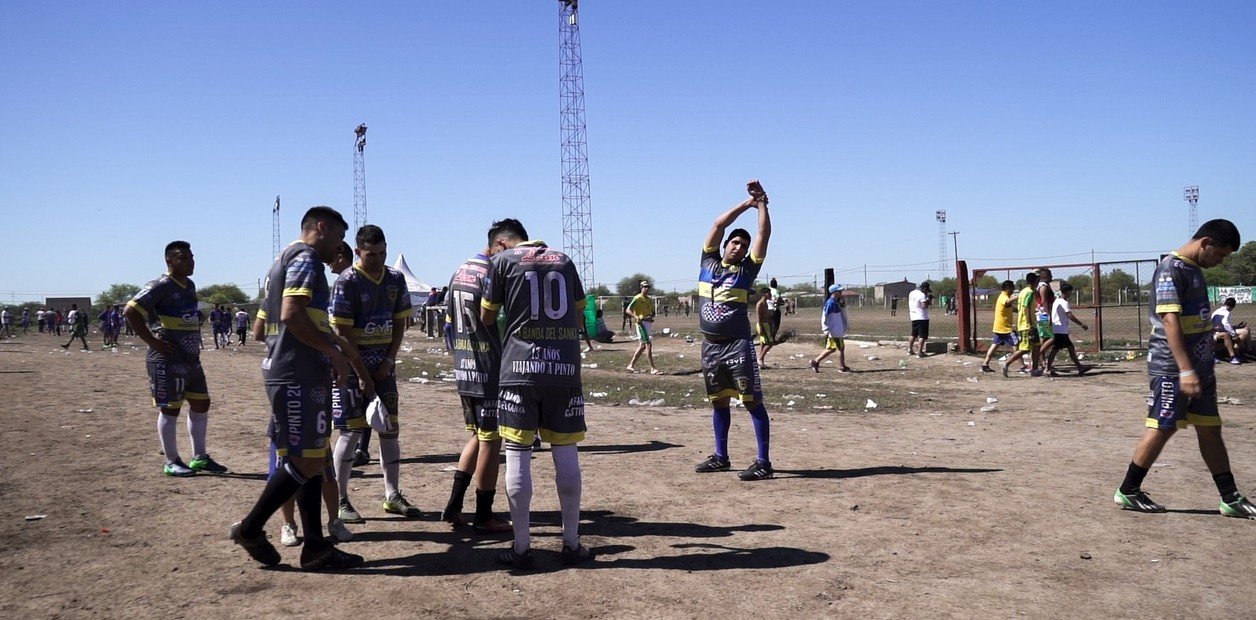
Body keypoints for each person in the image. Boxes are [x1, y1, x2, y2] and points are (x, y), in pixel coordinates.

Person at [229, 206, 363, 570]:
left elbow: (265, 328)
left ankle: (316, 546)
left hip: (289, 372)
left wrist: (331, 341)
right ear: (321, 227)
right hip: (297, 375)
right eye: (337, 237)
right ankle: (251, 527)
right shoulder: (305, 259)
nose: (339, 247)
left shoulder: (281, 260)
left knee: (311, 459)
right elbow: (291, 313)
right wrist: (330, 351)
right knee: (306, 460)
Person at [1114, 219, 1256, 519]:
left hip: (1200, 366)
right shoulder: (1171, 269)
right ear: (1205, 243)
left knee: (1210, 428)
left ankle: (1230, 498)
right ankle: (1128, 490)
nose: (1219, 262)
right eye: (1219, 255)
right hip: (1173, 367)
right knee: (1163, 426)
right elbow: (1169, 321)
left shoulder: (1193, 270)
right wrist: (1185, 370)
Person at [479, 218, 592, 568]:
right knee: (566, 454)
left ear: (501, 244)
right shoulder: (563, 259)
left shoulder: (502, 262)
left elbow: (486, 317)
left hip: (519, 370)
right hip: (564, 370)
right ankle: (571, 543)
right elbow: (578, 311)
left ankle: (522, 547)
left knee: (517, 454)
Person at [328, 224, 417, 524]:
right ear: (357, 252)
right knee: (351, 432)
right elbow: (342, 332)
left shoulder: (395, 279)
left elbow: (398, 325)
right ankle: (341, 500)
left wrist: (389, 361)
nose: (377, 259)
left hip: (383, 369)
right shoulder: (347, 282)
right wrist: (362, 373)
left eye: (382, 253)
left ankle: (392, 494)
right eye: (371, 254)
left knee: (390, 430)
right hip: (352, 369)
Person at [692, 180, 774, 482]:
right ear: (726, 245)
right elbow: (717, 223)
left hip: (737, 346)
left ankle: (764, 462)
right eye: (735, 243)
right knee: (719, 401)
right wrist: (745, 204)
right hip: (710, 346)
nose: (739, 248)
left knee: (752, 401)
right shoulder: (707, 261)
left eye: (743, 245)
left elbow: (763, 234)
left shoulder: (747, 270)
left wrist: (762, 203)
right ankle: (721, 457)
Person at [438, 221, 516, 534]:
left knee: (478, 436)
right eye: (509, 251)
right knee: (491, 442)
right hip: (488, 371)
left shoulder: (460, 271)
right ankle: (484, 514)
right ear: (499, 244)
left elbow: (447, 324)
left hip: (465, 368)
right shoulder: (492, 274)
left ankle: (454, 506)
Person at [123, 242, 227, 476]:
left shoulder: (189, 285)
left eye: (191, 257)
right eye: (183, 258)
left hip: (191, 358)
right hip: (166, 358)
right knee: (171, 409)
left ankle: (199, 457)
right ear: (169, 261)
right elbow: (130, 311)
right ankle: (171, 461)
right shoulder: (159, 285)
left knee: (201, 403)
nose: (190, 262)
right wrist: (153, 341)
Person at [1001, 272, 1042, 377]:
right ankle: (1007, 363)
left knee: (1037, 346)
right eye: (1037, 280)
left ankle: (1035, 369)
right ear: (1034, 281)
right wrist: (1030, 324)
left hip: (1030, 323)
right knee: (1025, 348)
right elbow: (1026, 308)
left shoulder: (1024, 291)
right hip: (1026, 325)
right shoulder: (1029, 292)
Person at [1045, 281, 1089, 376]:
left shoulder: (1056, 301)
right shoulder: (1064, 302)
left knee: (1070, 348)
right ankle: (1047, 368)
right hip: (1061, 330)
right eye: (1070, 291)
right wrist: (1081, 324)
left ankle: (1079, 367)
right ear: (1068, 292)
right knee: (1055, 350)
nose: (1071, 293)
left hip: (1059, 329)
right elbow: (1070, 316)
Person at [980, 280, 1021, 373]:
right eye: (1012, 287)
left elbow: (1010, 307)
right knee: (1017, 345)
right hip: (1005, 328)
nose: (1013, 289)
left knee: (994, 346)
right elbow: (1007, 302)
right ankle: (1022, 366)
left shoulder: (1006, 297)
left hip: (1000, 327)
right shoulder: (1003, 297)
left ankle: (985, 364)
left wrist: (1020, 310)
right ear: (1008, 288)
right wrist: (1019, 296)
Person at [810, 284, 850, 373]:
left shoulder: (835, 302)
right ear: (834, 292)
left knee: (831, 348)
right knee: (841, 348)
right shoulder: (831, 303)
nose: (841, 293)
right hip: (835, 330)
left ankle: (815, 361)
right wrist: (826, 329)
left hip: (836, 329)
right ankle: (842, 367)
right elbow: (825, 316)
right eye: (839, 291)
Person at [625, 280, 660, 374]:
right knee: (648, 345)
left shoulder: (649, 300)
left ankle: (631, 365)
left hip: (647, 324)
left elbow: (652, 313)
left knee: (642, 346)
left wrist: (650, 317)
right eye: (645, 287)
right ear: (641, 288)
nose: (646, 288)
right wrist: (636, 317)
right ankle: (653, 368)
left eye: (648, 287)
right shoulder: (637, 298)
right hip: (641, 324)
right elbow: (628, 310)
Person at [1212, 297, 1248, 364]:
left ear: (1225, 303)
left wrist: (1237, 326)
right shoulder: (1227, 312)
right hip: (1217, 333)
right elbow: (1225, 324)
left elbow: (1222, 324)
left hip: (1218, 331)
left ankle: (1241, 350)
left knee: (1246, 330)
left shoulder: (1216, 311)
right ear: (1233, 306)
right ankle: (1235, 352)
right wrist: (1234, 335)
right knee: (1244, 331)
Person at [1034, 268, 1056, 362]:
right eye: (1050, 275)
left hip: (1042, 314)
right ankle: (1038, 357)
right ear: (1046, 276)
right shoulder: (1043, 287)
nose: (1052, 277)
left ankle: (1041, 360)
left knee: (1044, 337)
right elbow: (1044, 301)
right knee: (1048, 338)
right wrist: (1048, 315)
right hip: (1043, 314)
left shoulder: (1043, 286)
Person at [906, 281, 932, 358]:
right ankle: (919, 352)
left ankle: (910, 350)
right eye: (926, 289)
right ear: (923, 288)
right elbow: (924, 306)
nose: (926, 291)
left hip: (913, 316)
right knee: (922, 335)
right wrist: (928, 300)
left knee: (913, 334)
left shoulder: (911, 293)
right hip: (922, 317)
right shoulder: (922, 295)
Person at [755, 287, 775, 366]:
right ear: (764, 294)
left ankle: (761, 362)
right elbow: (759, 317)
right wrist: (761, 327)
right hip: (762, 325)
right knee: (771, 343)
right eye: (768, 293)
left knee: (763, 343)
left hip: (767, 324)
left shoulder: (766, 303)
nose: (770, 295)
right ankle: (760, 358)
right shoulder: (760, 304)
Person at [767, 277, 782, 341]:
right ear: (776, 284)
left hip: (767, 309)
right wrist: (777, 305)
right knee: (775, 324)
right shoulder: (777, 291)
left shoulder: (767, 290)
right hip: (774, 310)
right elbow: (777, 299)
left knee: (769, 324)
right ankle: (772, 338)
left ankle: (768, 338)